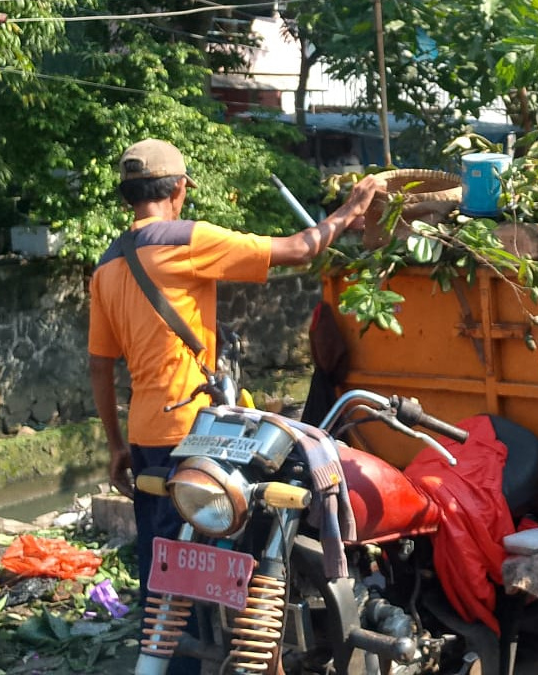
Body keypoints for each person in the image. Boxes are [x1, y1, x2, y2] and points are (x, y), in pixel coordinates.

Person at [88, 138, 379, 674]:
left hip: (147, 437)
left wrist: (114, 445)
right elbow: (301, 248)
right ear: (177, 191)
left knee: (163, 567)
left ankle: (176, 662)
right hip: (200, 439)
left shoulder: (107, 267)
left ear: (129, 195)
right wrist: (351, 210)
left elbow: (101, 368)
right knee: (236, 561)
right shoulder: (188, 240)